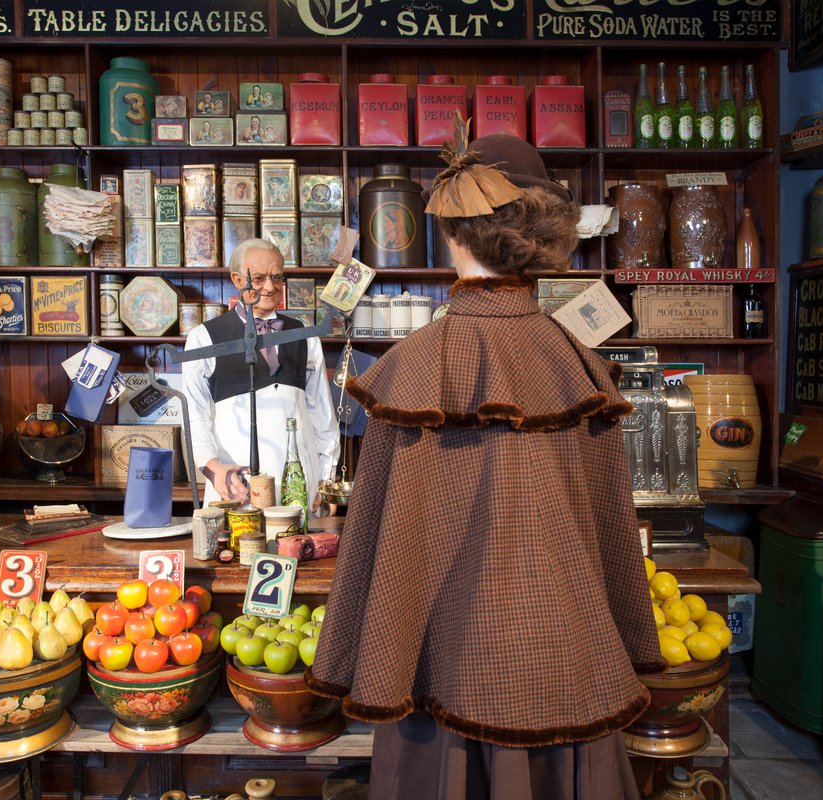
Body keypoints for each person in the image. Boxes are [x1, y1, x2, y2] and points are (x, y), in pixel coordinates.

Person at [306, 135, 665, 800]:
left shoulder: (412, 367)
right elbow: (613, 532)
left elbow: (377, 544)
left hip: (439, 669)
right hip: (569, 666)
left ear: (451, 231)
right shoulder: (579, 365)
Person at [182, 238, 339, 505]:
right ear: (236, 278)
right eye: (258, 278)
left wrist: (326, 477)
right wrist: (213, 467)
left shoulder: (305, 336)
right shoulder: (204, 338)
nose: (269, 287)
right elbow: (194, 417)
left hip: (300, 485)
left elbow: (321, 411)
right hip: (235, 484)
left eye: (277, 278)